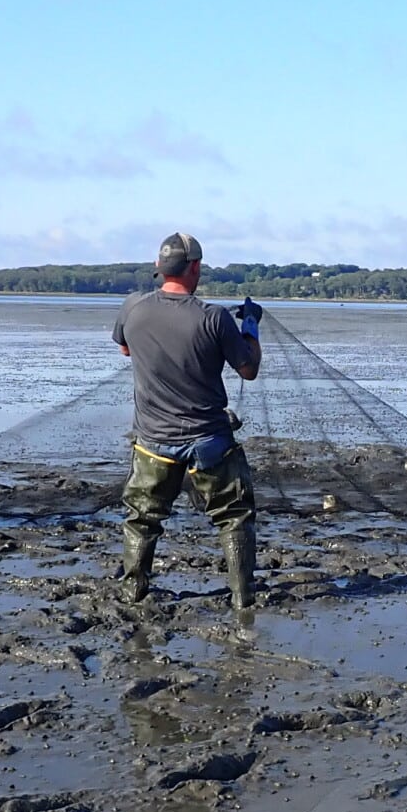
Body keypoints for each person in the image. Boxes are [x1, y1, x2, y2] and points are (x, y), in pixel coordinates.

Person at [112, 232, 262, 609]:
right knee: (234, 517)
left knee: (142, 519)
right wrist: (252, 326)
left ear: (160, 269)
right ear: (195, 266)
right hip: (209, 441)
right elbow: (249, 369)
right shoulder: (214, 318)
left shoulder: (133, 308)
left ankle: (133, 593)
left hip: (152, 442)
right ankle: (243, 600)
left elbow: (126, 348)